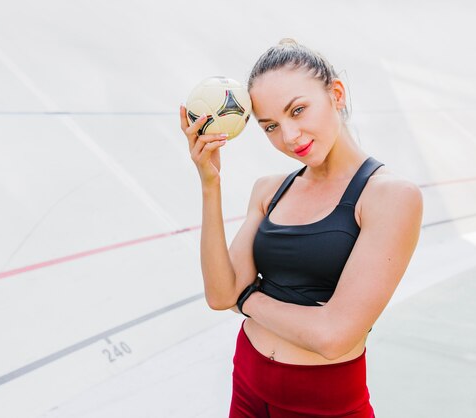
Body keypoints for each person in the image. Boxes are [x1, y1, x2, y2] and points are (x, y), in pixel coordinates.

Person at [179, 38, 423, 417]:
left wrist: (249, 300)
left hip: (324, 403)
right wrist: (210, 185)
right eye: (271, 126)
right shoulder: (270, 189)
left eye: (298, 110)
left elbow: (333, 336)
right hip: (246, 384)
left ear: (336, 94)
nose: (289, 137)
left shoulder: (390, 195)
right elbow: (219, 293)